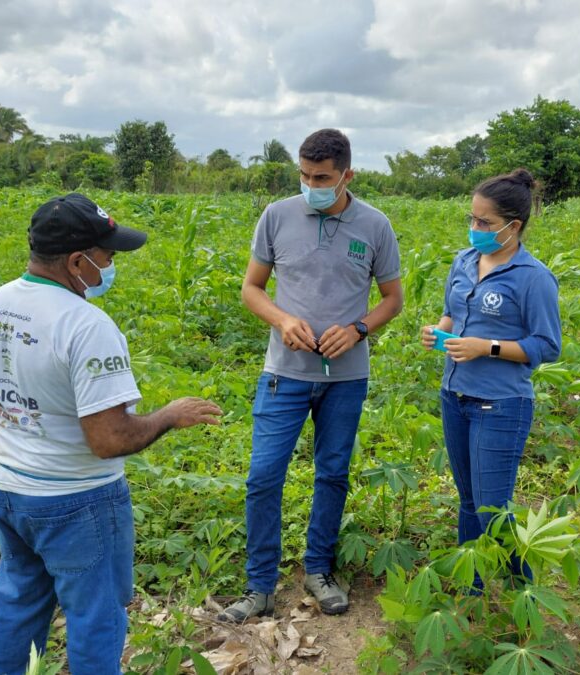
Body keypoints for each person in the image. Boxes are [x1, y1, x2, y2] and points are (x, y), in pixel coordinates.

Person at [0, 193, 223, 674]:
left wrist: (15, 449)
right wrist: (168, 415)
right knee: (95, 618)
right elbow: (108, 439)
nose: (110, 264)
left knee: (18, 604)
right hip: (78, 501)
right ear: (78, 261)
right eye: (107, 255)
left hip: (8, 488)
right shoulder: (86, 325)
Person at [218, 129, 403, 622]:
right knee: (263, 477)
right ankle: (259, 586)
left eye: (321, 177)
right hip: (285, 372)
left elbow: (392, 299)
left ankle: (318, 570)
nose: (310, 184)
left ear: (347, 175)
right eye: (303, 174)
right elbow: (252, 289)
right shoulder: (277, 216)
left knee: (333, 473)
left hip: (345, 377)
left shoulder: (376, 225)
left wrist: (358, 329)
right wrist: (282, 320)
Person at [419, 169, 561, 584]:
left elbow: (546, 346)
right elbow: (454, 312)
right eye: (472, 219)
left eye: (485, 223)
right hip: (455, 395)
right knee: (468, 503)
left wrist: (488, 347)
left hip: (500, 404)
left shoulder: (533, 278)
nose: (475, 229)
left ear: (513, 227)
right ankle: (472, 587)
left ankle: (524, 593)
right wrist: (439, 330)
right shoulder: (463, 262)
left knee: (493, 508)